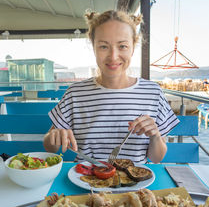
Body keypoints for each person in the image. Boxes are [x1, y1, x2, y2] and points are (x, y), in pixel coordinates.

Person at [43, 10, 179, 164]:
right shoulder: (75, 93)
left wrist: (155, 135)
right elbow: (49, 147)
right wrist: (54, 137)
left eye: (122, 46)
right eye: (103, 47)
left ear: (133, 47)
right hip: (85, 179)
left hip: (136, 184)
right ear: (93, 47)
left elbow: (157, 158)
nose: (113, 56)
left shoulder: (153, 93)